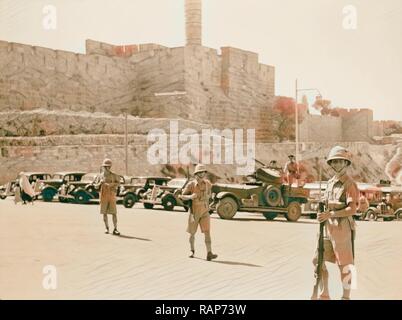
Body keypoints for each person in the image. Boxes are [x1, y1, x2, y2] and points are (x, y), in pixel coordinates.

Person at [313, 146, 359, 300]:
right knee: (317, 260)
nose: (338, 165)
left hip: (342, 227)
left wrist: (331, 214)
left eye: (341, 162)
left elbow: (352, 209)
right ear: (331, 164)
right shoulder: (330, 182)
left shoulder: (349, 184)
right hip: (326, 227)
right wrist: (320, 210)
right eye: (335, 162)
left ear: (346, 163)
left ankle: (346, 297)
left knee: (345, 265)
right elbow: (326, 203)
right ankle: (324, 294)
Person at [180, 164, 218, 261]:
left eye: (203, 172)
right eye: (200, 173)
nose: (202, 175)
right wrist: (190, 197)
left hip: (205, 211)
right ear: (196, 174)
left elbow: (209, 194)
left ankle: (209, 253)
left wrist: (209, 197)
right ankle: (192, 250)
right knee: (192, 233)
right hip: (194, 212)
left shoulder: (208, 184)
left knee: (207, 232)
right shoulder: (191, 185)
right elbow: (181, 196)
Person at [94, 159, 121, 235]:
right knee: (104, 213)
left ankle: (115, 229)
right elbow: (95, 187)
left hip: (111, 196)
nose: (107, 168)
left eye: (109, 166)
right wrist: (100, 183)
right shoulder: (99, 176)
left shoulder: (114, 175)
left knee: (114, 213)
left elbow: (118, 183)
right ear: (103, 167)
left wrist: (111, 185)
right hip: (103, 196)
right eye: (106, 166)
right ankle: (107, 228)